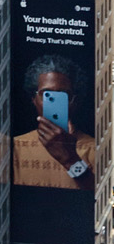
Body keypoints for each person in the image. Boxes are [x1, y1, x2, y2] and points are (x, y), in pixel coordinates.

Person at [14, 56, 96, 190]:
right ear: (34, 99)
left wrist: (71, 160)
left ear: (75, 101)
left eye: (63, 95)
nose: (53, 103)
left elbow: (106, 199)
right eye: (46, 95)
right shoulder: (15, 147)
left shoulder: (97, 150)